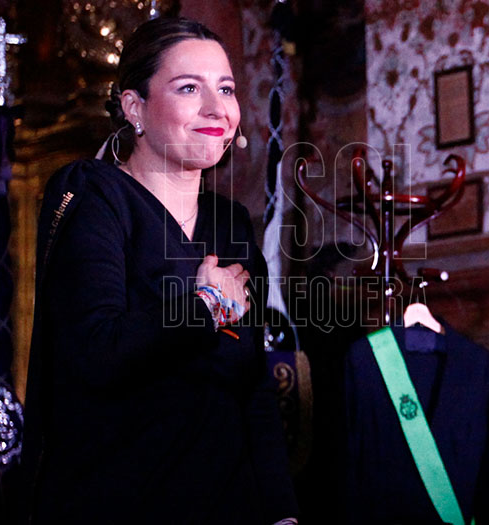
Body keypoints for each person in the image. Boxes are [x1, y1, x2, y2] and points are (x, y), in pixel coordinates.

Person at [20, 17, 299, 525]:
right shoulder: (94, 195)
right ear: (134, 107)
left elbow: (252, 386)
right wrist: (204, 308)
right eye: (189, 88)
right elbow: (97, 353)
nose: (217, 108)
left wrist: (282, 513)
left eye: (226, 89)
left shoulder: (231, 224)